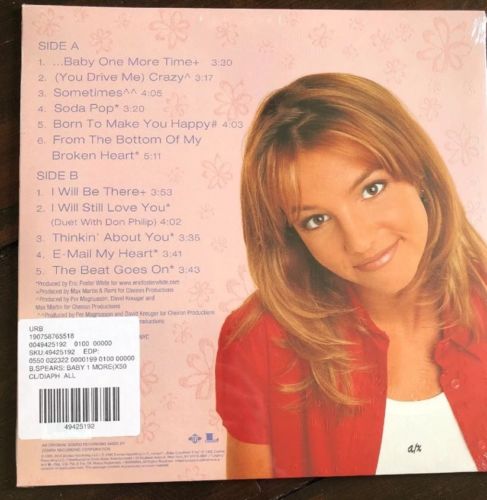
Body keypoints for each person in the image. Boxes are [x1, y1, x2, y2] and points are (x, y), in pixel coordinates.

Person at [215, 73, 487, 479]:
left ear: (420, 173)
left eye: (372, 189)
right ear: (291, 237)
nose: (359, 242)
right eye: (316, 219)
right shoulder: (258, 342)